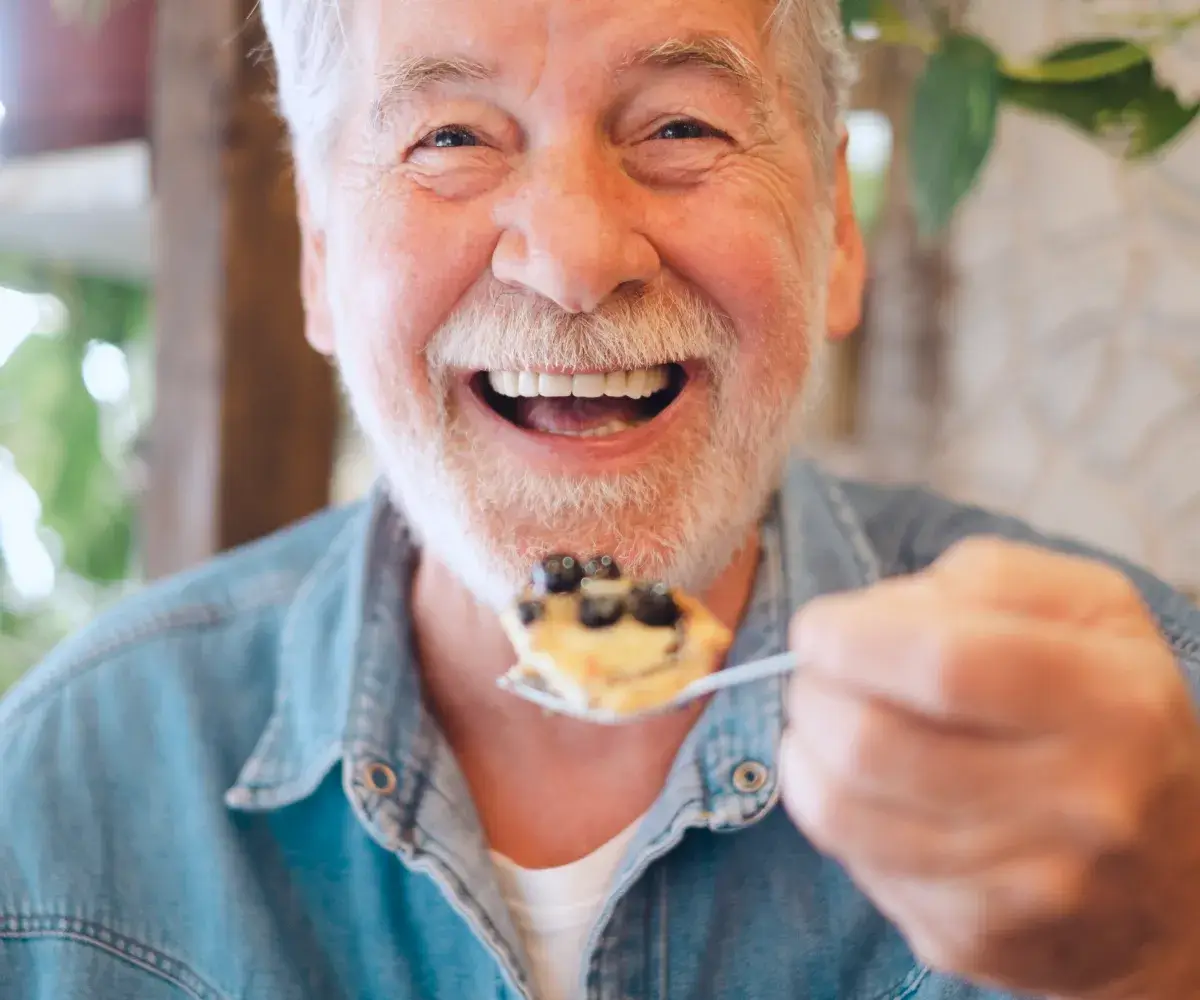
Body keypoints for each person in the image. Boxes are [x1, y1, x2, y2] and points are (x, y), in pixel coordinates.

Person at [2, 0, 1199, 997]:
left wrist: (1160, 954)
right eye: (452, 137)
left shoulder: (1158, 751)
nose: (575, 258)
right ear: (321, 255)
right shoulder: (63, 792)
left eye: (682, 124)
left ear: (837, 230)